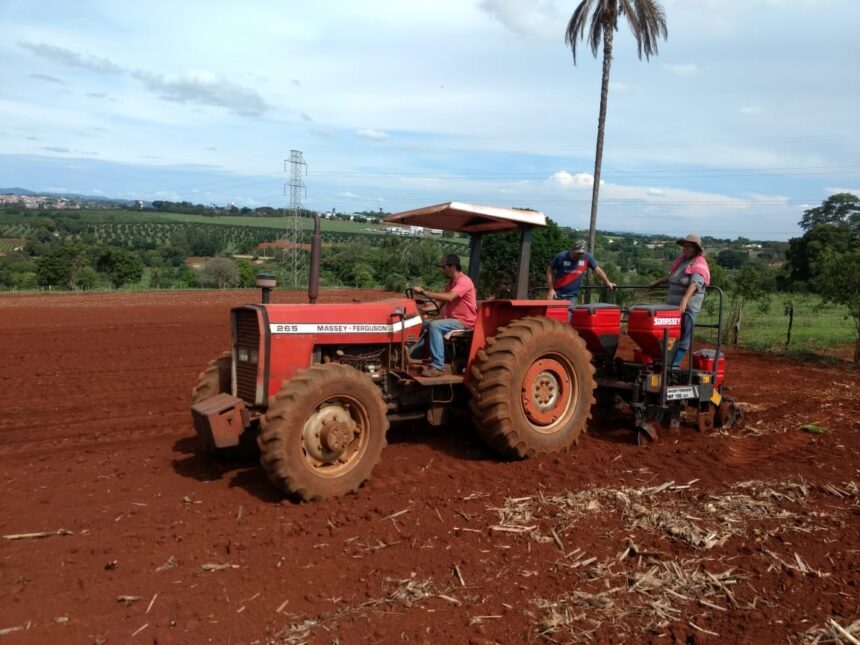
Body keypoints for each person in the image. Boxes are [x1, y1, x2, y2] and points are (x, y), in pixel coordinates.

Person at [411, 254, 477, 377]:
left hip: (464, 321)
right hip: (452, 320)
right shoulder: (450, 284)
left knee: (435, 326)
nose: (443, 270)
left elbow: (449, 297)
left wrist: (425, 292)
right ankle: (415, 355)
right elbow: (439, 305)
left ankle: (438, 366)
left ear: (452, 267)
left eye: (444, 267)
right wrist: (418, 311)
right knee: (424, 323)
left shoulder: (464, 281)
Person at [650, 234, 711, 367]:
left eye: (689, 246)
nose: (685, 249)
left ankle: (674, 364)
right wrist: (657, 282)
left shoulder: (699, 263)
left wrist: (684, 300)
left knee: (684, 336)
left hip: (687, 307)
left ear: (696, 249)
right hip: (671, 306)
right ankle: (665, 360)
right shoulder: (682, 261)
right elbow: (673, 276)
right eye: (684, 246)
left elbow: (695, 284)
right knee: (669, 334)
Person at [546, 239, 615, 320]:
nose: (580, 255)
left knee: (566, 320)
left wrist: (607, 282)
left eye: (582, 253)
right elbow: (549, 270)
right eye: (578, 253)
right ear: (572, 250)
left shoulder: (587, 257)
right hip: (556, 294)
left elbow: (598, 271)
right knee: (551, 319)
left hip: (572, 296)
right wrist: (551, 289)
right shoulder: (561, 256)